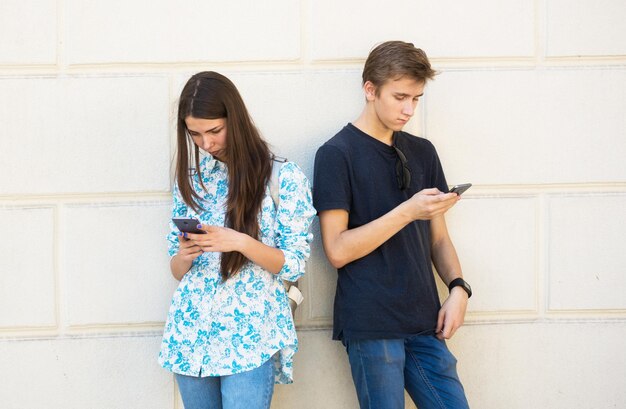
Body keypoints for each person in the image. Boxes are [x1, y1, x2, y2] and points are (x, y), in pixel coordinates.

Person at [313, 41, 471, 408]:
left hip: (425, 320)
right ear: (370, 89)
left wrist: (459, 289)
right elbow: (336, 249)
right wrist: (408, 210)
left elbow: (439, 239)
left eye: (416, 99)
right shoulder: (336, 154)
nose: (408, 109)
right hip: (372, 324)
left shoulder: (422, 151)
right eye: (400, 97)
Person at [158, 71, 315, 409]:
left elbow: (293, 263)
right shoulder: (193, 181)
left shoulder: (282, 177)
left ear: (236, 119)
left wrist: (240, 242)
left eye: (214, 130)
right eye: (195, 133)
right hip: (192, 334)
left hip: (248, 335)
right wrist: (186, 254)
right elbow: (176, 268)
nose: (206, 143)